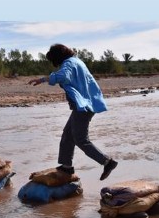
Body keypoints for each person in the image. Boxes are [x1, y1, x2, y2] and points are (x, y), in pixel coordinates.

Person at [30, 43, 118, 181]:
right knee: (67, 136)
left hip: (83, 106)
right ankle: (66, 166)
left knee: (81, 139)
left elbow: (63, 76)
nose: (55, 64)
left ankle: (107, 162)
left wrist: (43, 79)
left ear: (57, 57)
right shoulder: (77, 61)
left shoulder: (69, 63)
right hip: (85, 104)